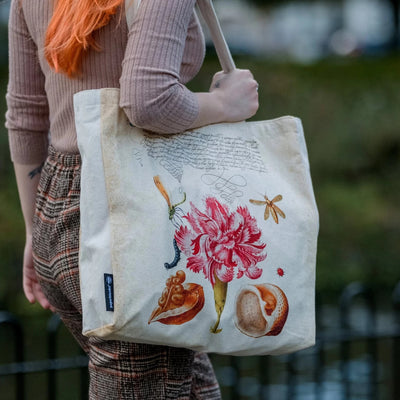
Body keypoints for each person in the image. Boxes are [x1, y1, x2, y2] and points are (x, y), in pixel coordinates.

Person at [6, 0, 259, 398]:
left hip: (57, 212)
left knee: (191, 389)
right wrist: (226, 104)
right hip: (134, 228)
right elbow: (148, 101)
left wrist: (34, 231)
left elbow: (26, 113)